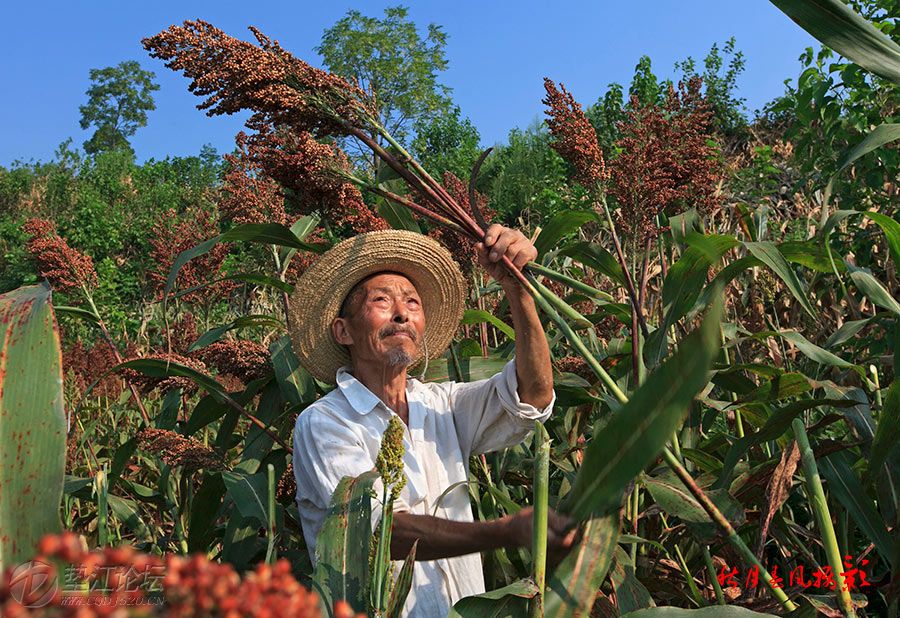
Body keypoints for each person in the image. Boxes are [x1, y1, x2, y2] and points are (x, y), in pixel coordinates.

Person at [289, 225, 575, 617]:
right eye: (381, 300)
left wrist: (518, 290)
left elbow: (532, 395)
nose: (402, 312)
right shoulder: (324, 424)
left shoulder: (442, 404)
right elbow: (381, 531)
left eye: (412, 302)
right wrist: (502, 532)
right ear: (344, 331)